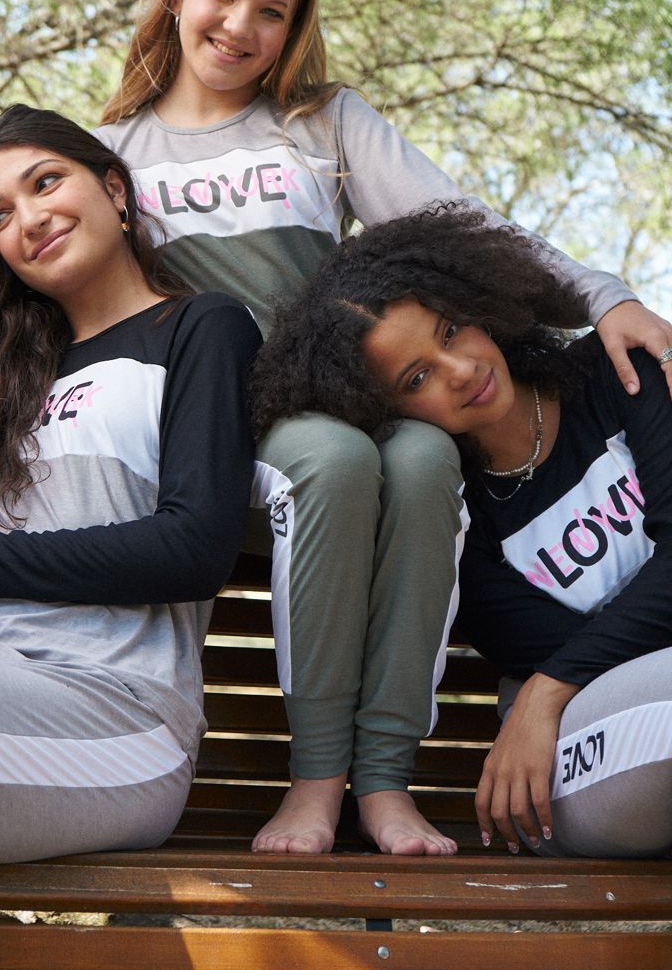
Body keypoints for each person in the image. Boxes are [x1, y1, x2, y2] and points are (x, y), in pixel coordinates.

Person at [0, 0, 672, 857]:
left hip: (341, 395)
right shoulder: (113, 154)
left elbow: (465, 229)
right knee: (332, 461)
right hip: (224, 421)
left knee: (424, 456)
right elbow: (43, 320)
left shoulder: (321, 122)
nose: (240, 28)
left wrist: (602, 296)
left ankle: (383, 783)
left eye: (272, 11)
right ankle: (313, 783)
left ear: (295, 25)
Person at [0, 104, 260, 970]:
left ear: (114, 190)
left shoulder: (197, 329)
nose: (28, 218)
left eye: (45, 182)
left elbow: (193, 549)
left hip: (115, 715)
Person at [252, 202, 672, 858]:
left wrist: (542, 690)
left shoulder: (615, 373)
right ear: (381, 409)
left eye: (450, 331)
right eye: (417, 377)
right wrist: (551, 694)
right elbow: (581, 652)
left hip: (554, 704)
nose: (461, 371)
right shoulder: (454, 520)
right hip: (578, 746)